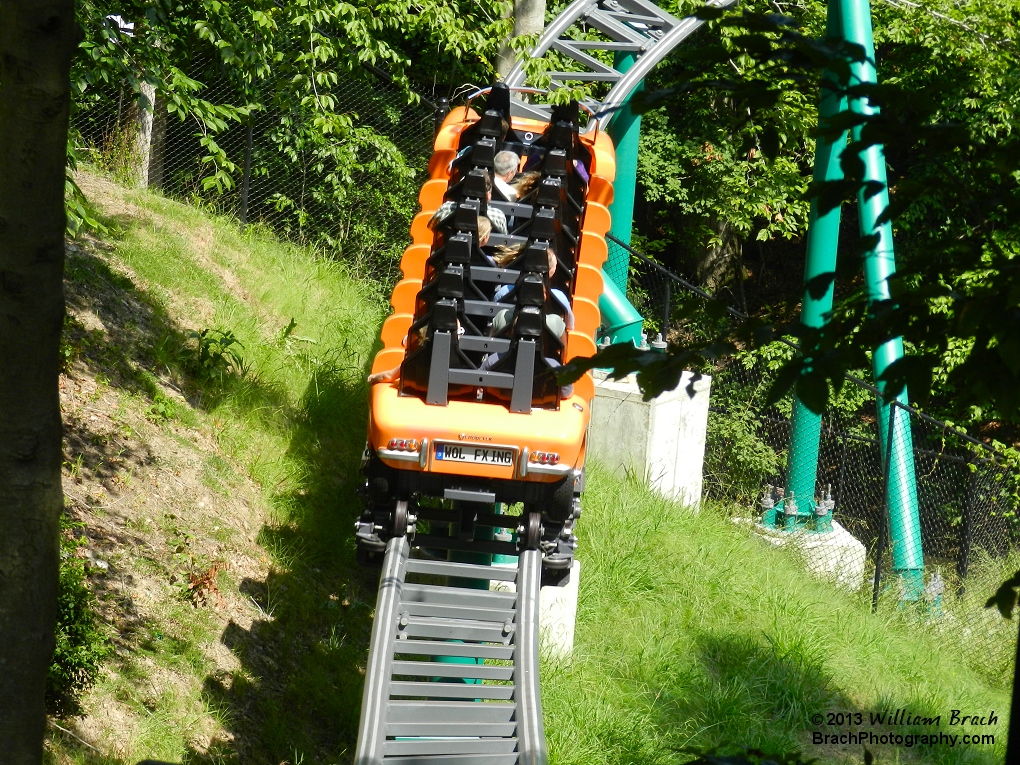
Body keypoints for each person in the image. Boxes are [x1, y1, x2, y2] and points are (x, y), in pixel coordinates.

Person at [428, 171, 507, 233]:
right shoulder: (498, 216)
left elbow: (432, 227)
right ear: (488, 195)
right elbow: (502, 242)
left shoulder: (446, 208)